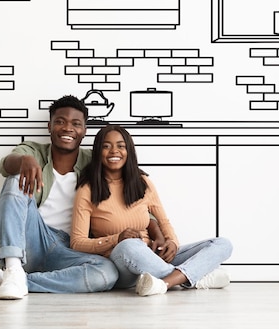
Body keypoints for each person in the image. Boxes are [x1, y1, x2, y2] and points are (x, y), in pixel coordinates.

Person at [0, 95, 119, 300]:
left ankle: (12, 280)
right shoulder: (33, 151)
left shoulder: (94, 162)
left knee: (107, 273)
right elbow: (6, 164)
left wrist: (152, 224)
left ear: (84, 131)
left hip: (69, 248)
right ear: (49, 126)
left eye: (76, 123)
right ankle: (13, 266)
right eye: (60, 121)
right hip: (32, 239)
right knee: (15, 178)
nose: (67, 128)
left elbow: (126, 191)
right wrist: (23, 161)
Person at [70, 124, 233, 296]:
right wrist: (115, 239)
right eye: (106, 146)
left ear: (129, 151)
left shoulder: (143, 182)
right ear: (97, 152)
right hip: (122, 263)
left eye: (120, 146)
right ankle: (193, 278)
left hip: (153, 255)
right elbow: (77, 242)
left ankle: (165, 282)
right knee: (130, 245)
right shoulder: (87, 189)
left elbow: (163, 221)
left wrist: (172, 243)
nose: (114, 151)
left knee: (222, 244)